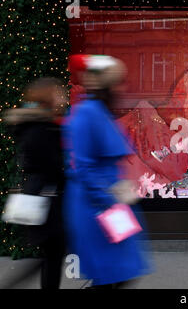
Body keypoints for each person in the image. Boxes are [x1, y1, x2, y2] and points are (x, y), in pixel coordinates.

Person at [65, 54, 150, 288]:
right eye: (119, 81)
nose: (123, 87)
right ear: (108, 85)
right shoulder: (88, 113)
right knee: (115, 273)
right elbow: (83, 167)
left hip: (107, 205)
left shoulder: (97, 112)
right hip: (96, 208)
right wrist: (111, 198)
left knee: (119, 272)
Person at [3, 77, 68, 289]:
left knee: (50, 254)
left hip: (38, 196)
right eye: (57, 93)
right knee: (52, 254)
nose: (62, 97)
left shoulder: (35, 125)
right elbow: (52, 165)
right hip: (45, 200)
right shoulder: (41, 128)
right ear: (47, 96)